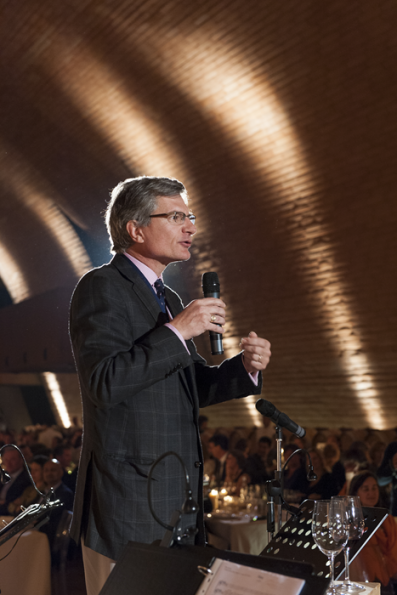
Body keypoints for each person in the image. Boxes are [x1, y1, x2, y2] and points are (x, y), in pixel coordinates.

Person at [69, 176, 271, 595]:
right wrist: (178, 332)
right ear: (135, 229)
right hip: (127, 507)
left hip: (177, 504)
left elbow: (191, 385)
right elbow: (104, 382)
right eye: (177, 216)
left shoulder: (169, 300)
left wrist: (244, 369)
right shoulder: (101, 287)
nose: (190, 227)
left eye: (190, 217)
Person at [349, 471, 397, 593]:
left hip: (392, 577)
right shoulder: (352, 524)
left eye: (374, 488)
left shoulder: (388, 519)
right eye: (366, 489)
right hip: (368, 582)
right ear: (356, 493)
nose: (371, 493)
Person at [0, 447, 31, 515]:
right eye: (6, 460)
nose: (8, 463)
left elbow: (13, 503)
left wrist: (4, 503)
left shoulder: (26, 479)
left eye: (12, 459)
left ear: (21, 460)